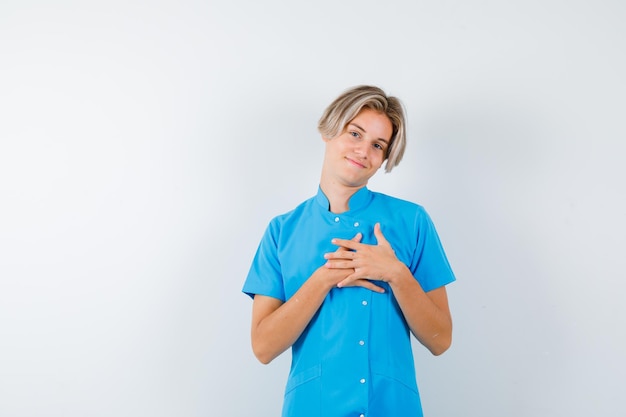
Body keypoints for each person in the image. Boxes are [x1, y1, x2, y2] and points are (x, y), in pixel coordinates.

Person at [242, 85, 456, 417]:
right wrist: (323, 279)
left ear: (385, 158)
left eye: (377, 145)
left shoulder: (412, 221)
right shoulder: (282, 231)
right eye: (354, 133)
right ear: (329, 131)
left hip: (392, 407)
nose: (363, 150)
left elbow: (441, 340)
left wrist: (396, 274)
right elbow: (263, 348)